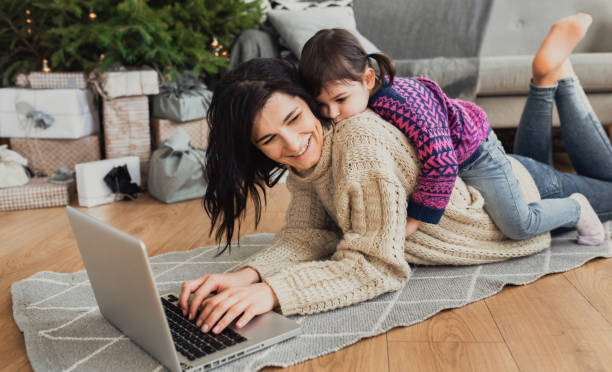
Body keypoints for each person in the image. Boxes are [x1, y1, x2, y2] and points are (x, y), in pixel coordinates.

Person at [178, 15, 612, 337]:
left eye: (294, 118)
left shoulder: (358, 144)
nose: (291, 145)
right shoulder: (314, 157)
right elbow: (308, 233)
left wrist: (273, 293)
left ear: (307, 100)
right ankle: (549, 78)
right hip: (499, 170)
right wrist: (249, 275)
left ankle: (555, 81)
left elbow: (376, 265)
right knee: (530, 159)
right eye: (268, 140)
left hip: (517, 194)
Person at [298, 14, 606, 245]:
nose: (333, 114)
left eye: (340, 100)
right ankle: (551, 77)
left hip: (476, 154)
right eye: (322, 106)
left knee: (518, 224)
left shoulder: (397, 102)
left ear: (367, 79)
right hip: (468, 141)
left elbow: (442, 161)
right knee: (527, 180)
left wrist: (415, 220)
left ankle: (575, 207)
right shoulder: (368, 99)